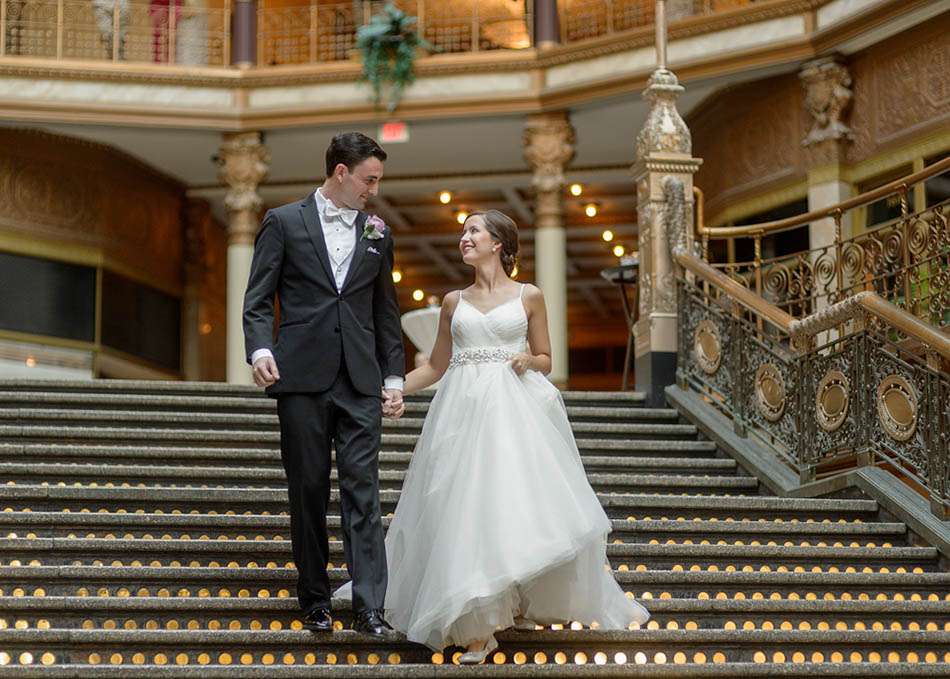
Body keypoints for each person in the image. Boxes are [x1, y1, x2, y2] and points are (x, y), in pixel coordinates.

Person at [339, 209, 650, 661]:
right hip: (460, 410)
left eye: (473, 232)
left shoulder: (529, 296)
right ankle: (477, 623)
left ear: (498, 243)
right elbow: (435, 365)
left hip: (511, 411)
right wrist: (391, 387)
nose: (464, 239)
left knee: (509, 505)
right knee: (463, 506)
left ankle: (513, 597)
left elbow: (547, 357)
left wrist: (528, 361)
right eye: (464, 232)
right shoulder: (452, 301)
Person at [243, 132, 405, 639]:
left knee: (364, 492)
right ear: (341, 173)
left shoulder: (378, 232)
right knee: (308, 489)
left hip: (360, 381)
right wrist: (260, 349)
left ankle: (369, 607)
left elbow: (384, 310)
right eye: (368, 179)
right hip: (302, 376)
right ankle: (315, 600)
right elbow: (258, 298)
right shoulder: (283, 222)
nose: (373, 190)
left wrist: (394, 375)